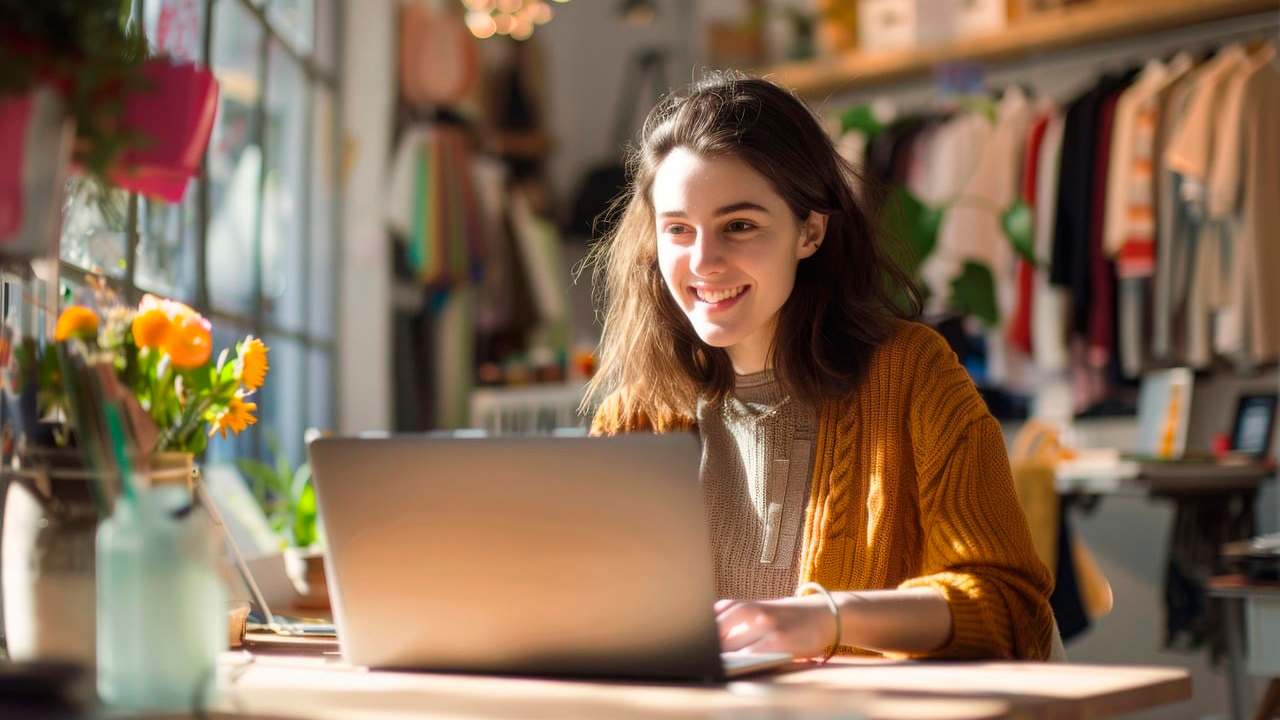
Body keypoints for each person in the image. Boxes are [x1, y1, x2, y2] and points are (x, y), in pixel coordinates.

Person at [584, 73, 1056, 661]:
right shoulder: (633, 417)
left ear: (810, 231)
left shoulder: (912, 375)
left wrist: (830, 618)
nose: (703, 261)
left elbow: (1012, 607)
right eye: (678, 229)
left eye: (740, 226)